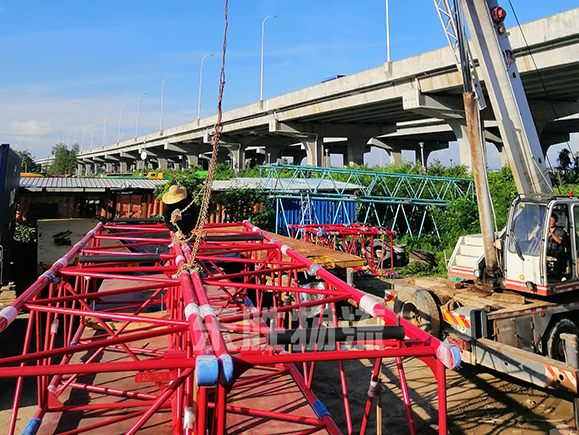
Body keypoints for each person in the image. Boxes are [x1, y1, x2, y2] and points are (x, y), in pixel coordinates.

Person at [546, 214, 566, 279]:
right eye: (549, 220)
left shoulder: (560, 231)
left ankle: (558, 275)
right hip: (548, 249)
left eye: (551, 221)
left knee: (559, 256)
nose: (549, 222)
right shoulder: (545, 230)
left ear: (555, 222)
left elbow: (559, 241)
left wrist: (552, 235)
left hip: (557, 250)